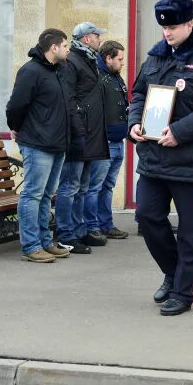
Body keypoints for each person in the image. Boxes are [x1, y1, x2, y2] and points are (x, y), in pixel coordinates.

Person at [129, 0, 193, 316]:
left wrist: (180, 132)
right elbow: (138, 94)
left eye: (172, 27)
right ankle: (173, 272)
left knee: (189, 229)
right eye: (163, 27)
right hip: (154, 156)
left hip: (189, 158)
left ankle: (183, 293)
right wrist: (134, 122)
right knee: (147, 215)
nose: (166, 33)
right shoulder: (155, 58)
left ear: (189, 24)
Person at [6, 29, 73, 263]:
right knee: (33, 194)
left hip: (57, 143)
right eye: (65, 45)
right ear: (53, 48)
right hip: (37, 143)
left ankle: (45, 241)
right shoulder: (31, 71)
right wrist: (15, 127)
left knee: (46, 195)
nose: (68, 49)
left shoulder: (60, 71)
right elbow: (16, 105)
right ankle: (31, 245)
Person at [55, 22, 110, 254]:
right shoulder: (73, 62)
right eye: (97, 36)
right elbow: (70, 100)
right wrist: (78, 129)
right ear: (87, 39)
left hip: (91, 134)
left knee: (83, 186)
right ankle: (66, 234)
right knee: (70, 186)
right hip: (78, 134)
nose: (100, 40)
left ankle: (79, 231)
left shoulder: (88, 59)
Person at [83, 40, 130, 240]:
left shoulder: (116, 77)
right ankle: (92, 226)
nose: (122, 63)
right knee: (95, 186)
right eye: (119, 59)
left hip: (118, 141)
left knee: (107, 186)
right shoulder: (98, 77)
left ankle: (106, 224)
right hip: (104, 143)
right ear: (108, 58)